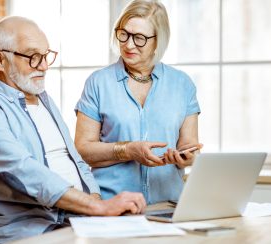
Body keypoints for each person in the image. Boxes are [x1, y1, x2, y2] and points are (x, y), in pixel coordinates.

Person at [0, 16, 146, 243]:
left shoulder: (43, 99)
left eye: (45, 55)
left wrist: (97, 208)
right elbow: (25, 172)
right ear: (0, 60)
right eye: (33, 57)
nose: (43, 65)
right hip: (27, 232)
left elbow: (76, 161)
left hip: (73, 221)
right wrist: (97, 208)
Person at [74, 0, 202, 205]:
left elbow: (190, 147)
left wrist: (186, 156)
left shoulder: (182, 84)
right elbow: (82, 149)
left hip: (167, 205)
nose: (128, 44)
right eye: (124, 33)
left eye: (140, 38)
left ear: (158, 41)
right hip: (112, 205)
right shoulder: (98, 83)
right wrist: (128, 150)